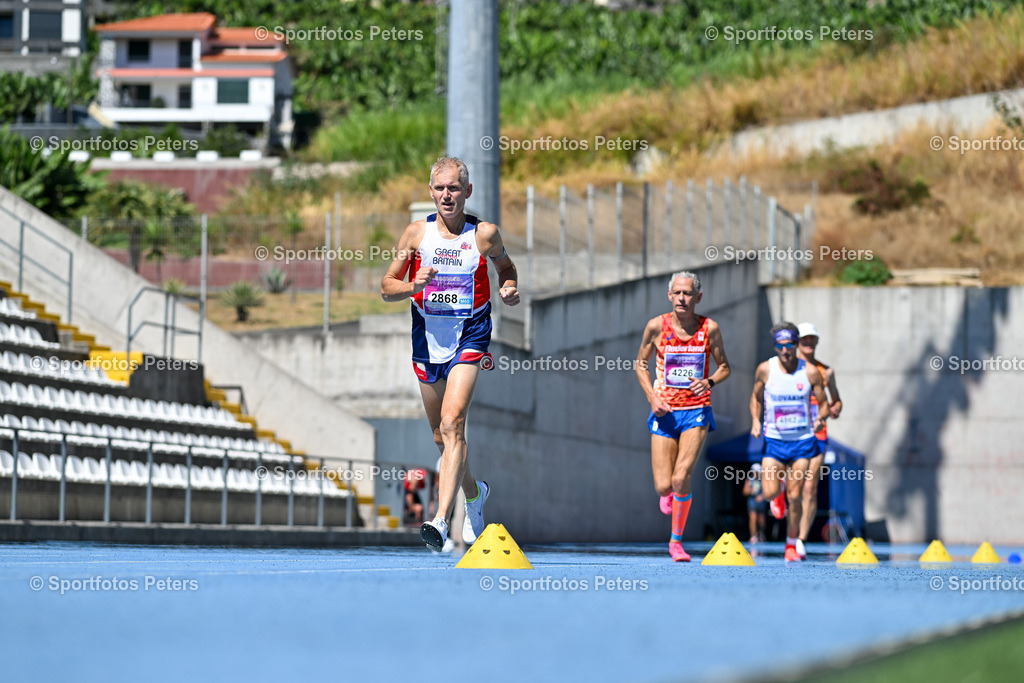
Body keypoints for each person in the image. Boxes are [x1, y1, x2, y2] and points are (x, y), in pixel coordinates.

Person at [381, 156, 519, 551]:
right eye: (440, 188)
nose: (447, 195)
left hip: (470, 337)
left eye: (454, 188)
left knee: (453, 421)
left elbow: (506, 270)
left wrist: (508, 288)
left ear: (467, 192)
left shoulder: (484, 235)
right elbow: (386, 286)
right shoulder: (415, 235)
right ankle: (475, 494)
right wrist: (412, 285)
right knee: (441, 435)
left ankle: (441, 521)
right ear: (431, 192)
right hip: (427, 341)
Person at [636, 271, 731, 562]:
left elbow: (725, 366)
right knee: (663, 485)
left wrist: (710, 381)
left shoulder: (709, 328)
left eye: (688, 293)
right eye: (677, 293)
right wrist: (652, 398)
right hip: (664, 412)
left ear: (698, 297)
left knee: (680, 478)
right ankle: (671, 496)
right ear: (669, 295)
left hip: (696, 410)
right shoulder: (656, 326)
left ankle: (675, 542)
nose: (682, 298)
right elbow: (640, 363)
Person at [749, 322, 829, 562]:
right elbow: (755, 398)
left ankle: (791, 544)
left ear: (796, 344)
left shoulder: (811, 371)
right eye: (780, 346)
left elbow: (824, 403)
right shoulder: (765, 369)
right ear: (775, 347)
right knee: (769, 491)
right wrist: (755, 420)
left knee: (797, 496)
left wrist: (820, 419)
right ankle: (778, 493)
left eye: (790, 345)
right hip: (774, 440)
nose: (785, 350)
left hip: (802, 441)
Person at [793, 321, 843, 559]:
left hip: (817, 435)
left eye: (812, 339)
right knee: (792, 487)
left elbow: (837, 401)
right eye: (805, 339)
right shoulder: (788, 369)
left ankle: (800, 540)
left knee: (810, 489)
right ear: (797, 342)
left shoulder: (826, 371)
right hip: (791, 433)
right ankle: (790, 530)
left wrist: (834, 409)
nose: (809, 342)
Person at [742, 463, 767, 543]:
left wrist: (762, 496)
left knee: (761, 520)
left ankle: (761, 534)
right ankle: (753, 536)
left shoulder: (764, 480)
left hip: (761, 501)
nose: (756, 473)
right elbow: (745, 492)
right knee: (753, 518)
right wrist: (750, 491)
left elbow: (768, 491)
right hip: (752, 501)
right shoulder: (749, 480)